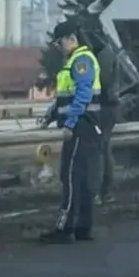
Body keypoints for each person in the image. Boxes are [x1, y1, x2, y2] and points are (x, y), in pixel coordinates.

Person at [37, 19, 103, 244]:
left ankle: (66, 228)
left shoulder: (81, 60)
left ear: (71, 39)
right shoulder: (77, 60)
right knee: (82, 179)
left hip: (80, 127)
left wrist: (69, 124)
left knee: (71, 177)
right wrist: (50, 115)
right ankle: (83, 228)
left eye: (59, 42)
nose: (58, 47)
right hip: (84, 126)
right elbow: (65, 97)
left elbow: (82, 96)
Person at [93, 41, 119, 204]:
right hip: (110, 108)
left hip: (101, 109)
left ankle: (98, 191)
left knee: (97, 151)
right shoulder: (110, 55)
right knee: (105, 148)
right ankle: (106, 190)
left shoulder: (97, 59)